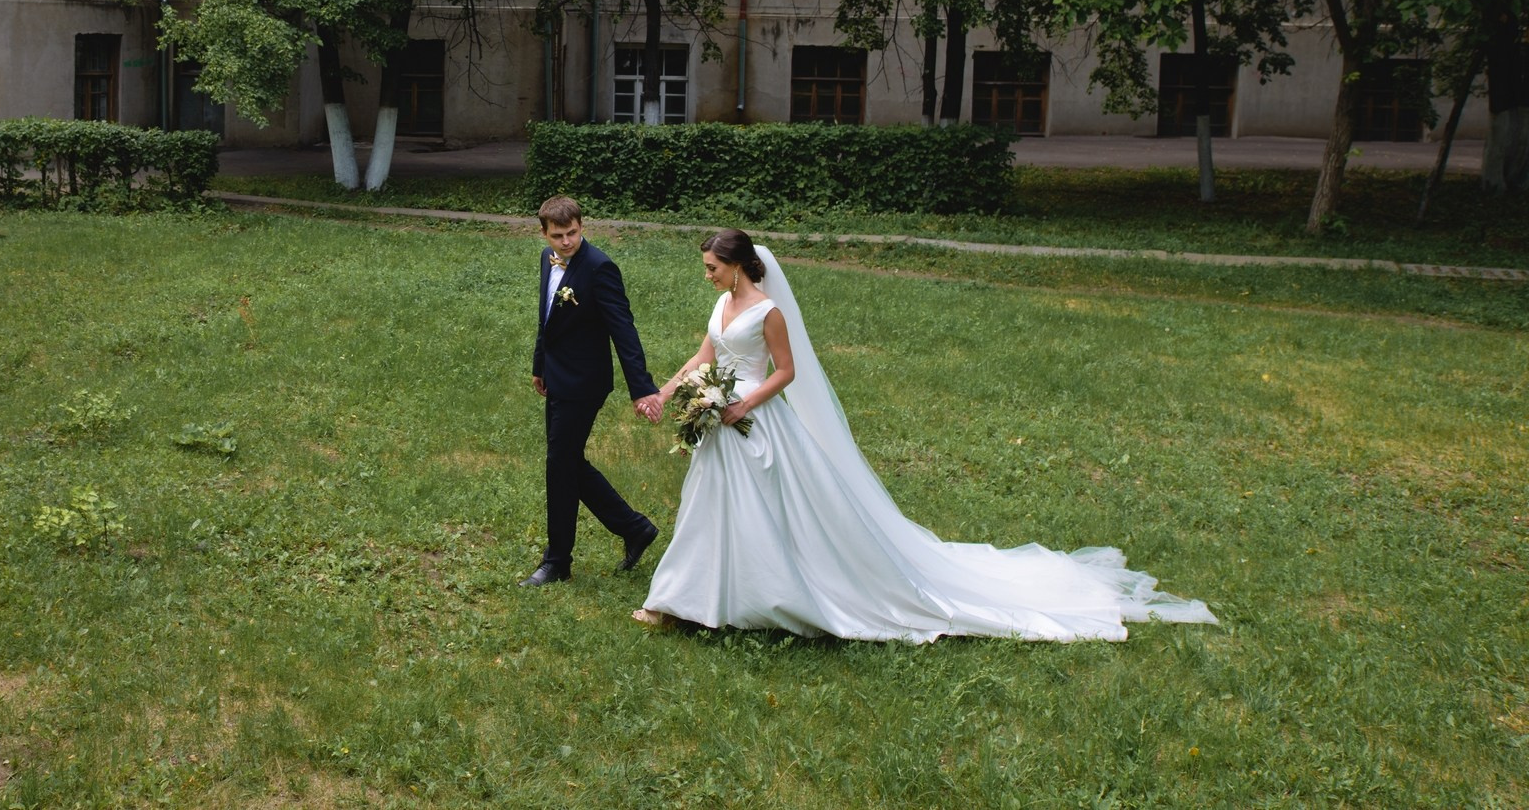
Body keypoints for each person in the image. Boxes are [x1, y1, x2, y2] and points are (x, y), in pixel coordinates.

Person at [636, 229, 1218, 640]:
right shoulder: (721, 306)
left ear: (738, 264)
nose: (707, 275)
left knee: (771, 515)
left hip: (756, 423)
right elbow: (705, 352)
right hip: (719, 423)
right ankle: (683, 601)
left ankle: (764, 595)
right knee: (705, 510)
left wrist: (743, 405)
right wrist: (667, 391)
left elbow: (787, 371)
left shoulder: (768, 312)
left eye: (713, 267)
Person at [520, 196, 665, 588]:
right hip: (557, 374)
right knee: (565, 461)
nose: (567, 242)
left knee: (560, 462)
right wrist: (540, 365)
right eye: (558, 236)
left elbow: (624, 330)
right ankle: (634, 528)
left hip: (585, 382)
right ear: (544, 233)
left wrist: (643, 389)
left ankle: (557, 561)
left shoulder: (600, 268)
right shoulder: (546, 260)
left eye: (573, 233)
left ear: (582, 226)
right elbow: (546, 317)